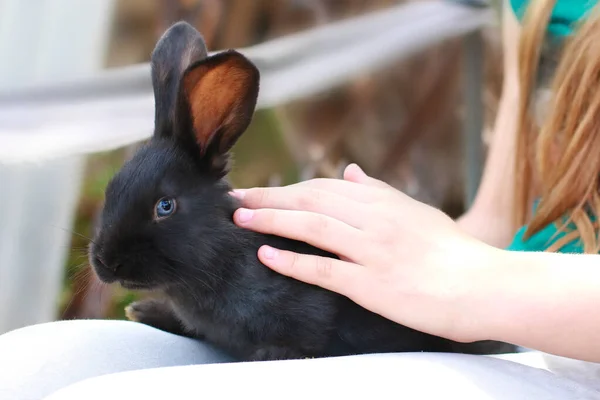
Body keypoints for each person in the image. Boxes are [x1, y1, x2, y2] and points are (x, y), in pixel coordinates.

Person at [2, 0, 600, 399]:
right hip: (489, 296)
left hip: (552, 338)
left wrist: (476, 280)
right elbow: (498, 217)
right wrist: (428, 248)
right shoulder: (535, 6)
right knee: (31, 368)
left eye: (162, 210)